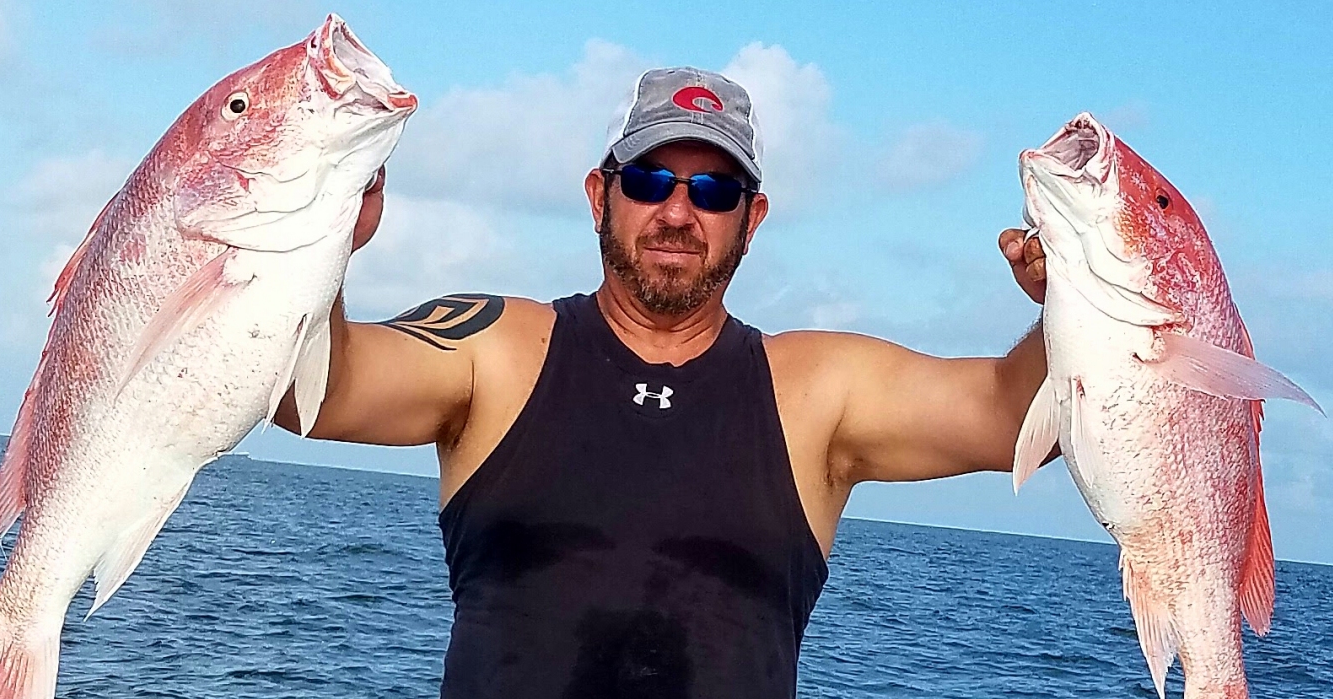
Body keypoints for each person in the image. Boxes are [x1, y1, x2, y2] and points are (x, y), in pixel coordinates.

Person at [276, 66, 1051, 699]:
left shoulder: (816, 388)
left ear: (752, 219)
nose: (678, 211)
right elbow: (312, 389)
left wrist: (1080, 297)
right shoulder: (496, 345)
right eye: (649, 179)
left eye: (714, 192)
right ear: (598, 196)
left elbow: (1013, 415)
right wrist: (316, 233)